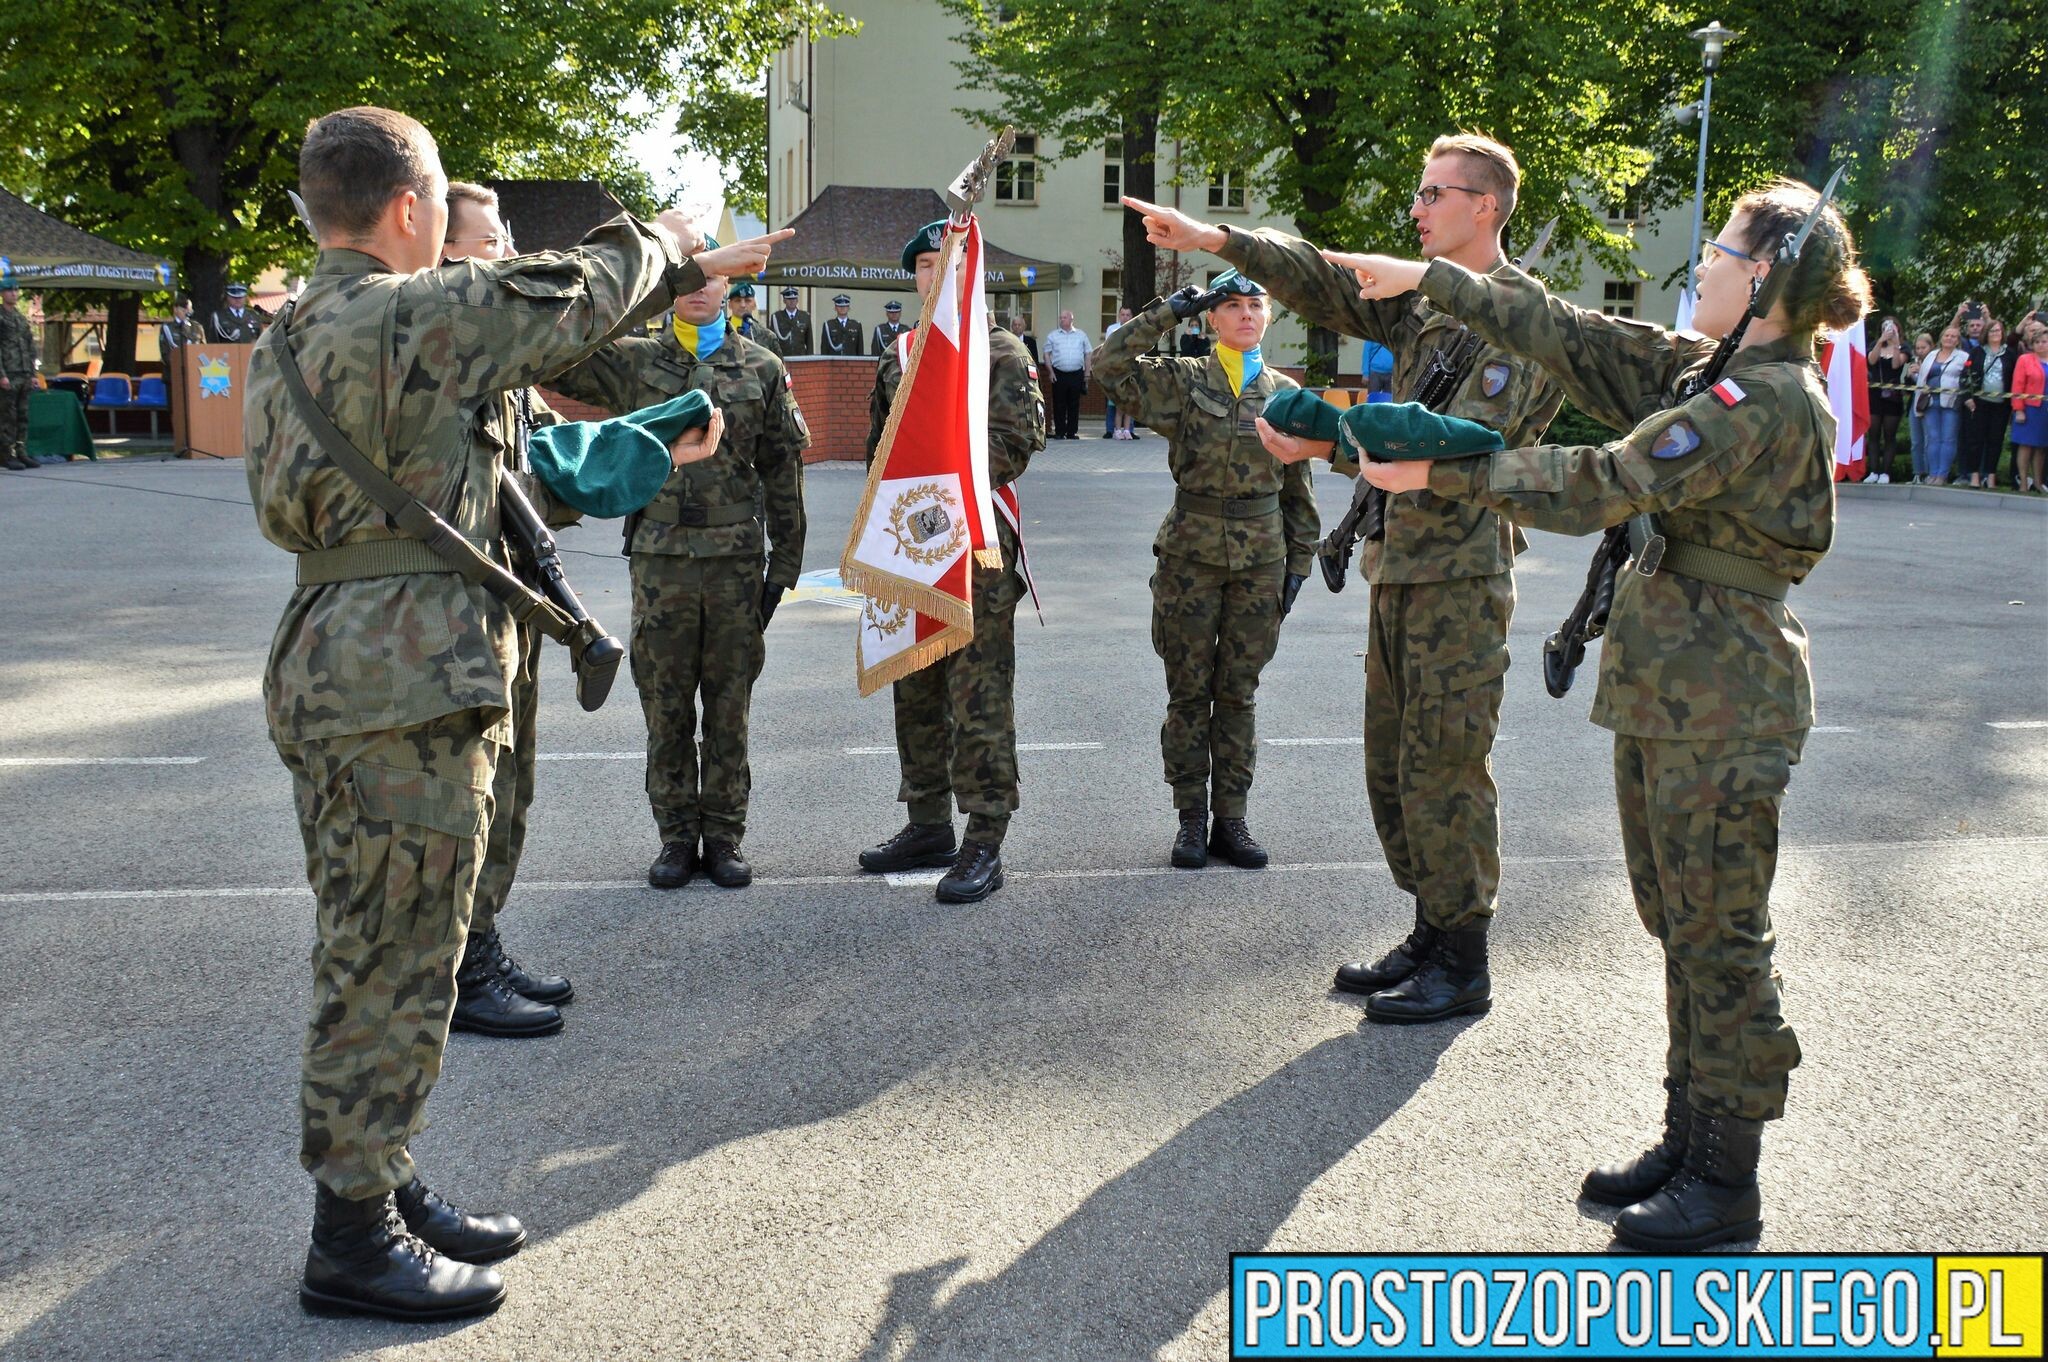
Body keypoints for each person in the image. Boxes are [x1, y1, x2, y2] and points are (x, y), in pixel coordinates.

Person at [247, 104, 782, 1321]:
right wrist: (670, 238)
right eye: (439, 198)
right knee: (389, 957)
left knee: (388, 945)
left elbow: (498, 469)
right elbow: (577, 294)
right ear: (407, 208)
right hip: (403, 676)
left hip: (353, 662)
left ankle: (379, 1180)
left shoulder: (303, 330)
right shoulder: (405, 312)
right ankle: (351, 1235)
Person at [1278, 176, 1868, 1252]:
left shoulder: (1763, 396)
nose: (1702, 268)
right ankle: (1687, 1139)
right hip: (1675, 693)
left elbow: (1606, 477)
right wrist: (1439, 281)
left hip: (1722, 702)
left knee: (1717, 937)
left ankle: (1724, 1180)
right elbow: (1569, 333)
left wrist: (1448, 472)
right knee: (1675, 923)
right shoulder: (1718, 369)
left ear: (1767, 280)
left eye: (1721, 255)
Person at [1127, 131, 1563, 1025]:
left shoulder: (1520, 314)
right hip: (1401, 562)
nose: (1417, 208)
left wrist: (1324, 438)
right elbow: (1320, 282)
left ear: (1485, 206)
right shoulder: (1426, 310)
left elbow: (1452, 439)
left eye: (1435, 193)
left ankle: (1464, 959)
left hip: (1461, 570)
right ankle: (1430, 929)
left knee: (1447, 766)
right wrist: (1214, 240)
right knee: (1395, 768)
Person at [546, 239, 810, 894]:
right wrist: (630, 287)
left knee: (728, 705)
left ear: (732, 287)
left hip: (734, 564)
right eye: (691, 275)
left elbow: (783, 472)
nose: (701, 287)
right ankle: (673, 836)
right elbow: (554, 354)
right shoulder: (634, 362)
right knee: (663, 704)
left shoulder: (762, 367)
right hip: (661, 561)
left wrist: (784, 571)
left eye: (714, 274)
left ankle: (722, 835)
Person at [1095, 271, 1316, 867]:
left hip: (1261, 560)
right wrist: (1168, 310)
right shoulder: (1185, 381)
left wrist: (1299, 563)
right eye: (1232, 306)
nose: (1246, 315)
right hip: (1190, 558)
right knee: (1189, 692)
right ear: (1211, 319)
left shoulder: (1288, 395)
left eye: (1255, 305)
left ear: (1268, 316)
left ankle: (1232, 820)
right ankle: (1190, 816)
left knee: (1239, 693)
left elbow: (1299, 491)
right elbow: (1107, 366)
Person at [857, 219, 1046, 903]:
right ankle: (927, 818)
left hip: (975, 546)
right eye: (926, 266)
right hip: (910, 546)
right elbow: (879, 450)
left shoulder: (998, 352)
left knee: (979, 695)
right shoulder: (899, 353)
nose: (936, 276)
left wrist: (934, 490)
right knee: (917, 683)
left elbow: (1015, 445)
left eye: (950, 264)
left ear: (974, 273)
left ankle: (985, 835)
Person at [435, 181, 577, 1040]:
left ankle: (478, 940)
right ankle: (456, 968)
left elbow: (537, 470)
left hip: (509, 610)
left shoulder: (504, 368)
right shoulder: (445, 353)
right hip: (455, 622)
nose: (507, 257)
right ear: (445, 256)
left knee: (510, 793)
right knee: (468, 801)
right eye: (490, 246)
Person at [1961, 317, 2017, 488]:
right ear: (1986, 333)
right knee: (1975, 440)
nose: (1995, 334)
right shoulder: (1977, 352)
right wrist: (1967, 397)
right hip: (1979, 403)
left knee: (1995, 441)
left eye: (1998, 330)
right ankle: (1975, 476)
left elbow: (2014, 379)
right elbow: (1966, 375)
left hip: (2001, 405)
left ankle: (1991, 476)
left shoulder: (2010, 354)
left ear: (2002, 333)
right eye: (1992, 331)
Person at [1917, 326, 1969, 484]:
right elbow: (1921, 379)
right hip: (1930, 401)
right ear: (1941, 338)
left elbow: (1966, 379)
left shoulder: (1963, 356)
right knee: (1933, 438)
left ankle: (1942, 474)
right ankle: (1932, 473)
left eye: (1954, 336)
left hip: (1951, 402)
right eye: (1947, 335)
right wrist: (1918, 405)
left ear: (1958, 340)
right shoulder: (1931, 355)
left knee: (1948, 439)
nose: (1950, 338)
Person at [1863, 317, 1906, 483]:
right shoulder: (1876, 344)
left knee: (1889, 435)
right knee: (1873, 435)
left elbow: (1896, 365)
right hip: (1874, 395)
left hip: (1892, 396)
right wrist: (1881, 341)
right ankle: (1873, 471)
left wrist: (1895, 343)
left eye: (1891, 326)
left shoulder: (1903, 346)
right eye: (1885, 327)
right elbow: (1871, 360)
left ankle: (1886, 472)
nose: (1888, 329)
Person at [0, 278, 36, 470]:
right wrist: (1, 375)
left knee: (23, 414)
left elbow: (30, 346)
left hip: (23, 372)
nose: (14, 293)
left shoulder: (20, 318)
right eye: (9, 290)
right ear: (2, 294)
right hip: (9, 373)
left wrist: (32, 373)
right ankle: (6, 454)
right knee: (8, 416)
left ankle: (21, 451)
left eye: (15, 290)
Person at [1041, 309, 1092, 439]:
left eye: (1064, 317)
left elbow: (1088, 353)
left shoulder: (1081, 335)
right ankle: (1059, 431)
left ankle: (1071, 432)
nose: (1061, 320)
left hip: (1076, 374)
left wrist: (1087, 373)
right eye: (1060, 318)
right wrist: (1050, 372)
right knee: (1059, 404)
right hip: (1059, 374)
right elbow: (1046, 353)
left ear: (1071, 319)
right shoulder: (1053, 335)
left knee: (1074, 404)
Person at [2011, 326, 2048, 493]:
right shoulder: (2025, 360)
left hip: (2045, 411)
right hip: (2029, 408)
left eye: (2044, 342)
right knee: (2025, 445)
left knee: (2041, 447)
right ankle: (2024, 482)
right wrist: (2018, 409)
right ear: (2032, 344)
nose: (2041, 345)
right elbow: (2017, 385)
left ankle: (2039, 482)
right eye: (2037, 342)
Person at [1101, 305, 1135, 438]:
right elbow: (1109, 348)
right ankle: (1113, 430)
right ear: (1119, 315)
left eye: (1128, 315)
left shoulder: (1135, 328)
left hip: (1131, 369)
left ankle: (1128, 430)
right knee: (1115, 402)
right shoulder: (1112, 329)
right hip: (1115, 369)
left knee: (1130, 401)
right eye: (1123, 314)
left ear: (1131, 316)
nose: (1125, 317)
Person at [1907, 332, 1934, 482]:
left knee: (1929, 439)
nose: (1920, 351)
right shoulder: (1911, 362)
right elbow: (1902, 381)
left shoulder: (1935, 361)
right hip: (1914, 405)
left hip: (1929, 404)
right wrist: (1910, 374)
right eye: (1917, 348)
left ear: (1931, 347)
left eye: (1923, 347)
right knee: (1916, 441)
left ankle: (1930, 472)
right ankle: (1917, 472)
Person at [727, 281, 780, 355]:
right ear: (730, 304)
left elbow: (778, 365)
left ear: (754, 304)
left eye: (747, 301)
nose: (742, 305)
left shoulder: (767, 336)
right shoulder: (720, 332)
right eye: (738, 301)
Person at [770, 286, 813, 356]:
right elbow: (772, 340)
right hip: (783, 356)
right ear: (784, 301)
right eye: (789, 299)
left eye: (794, 298)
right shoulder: (777, 317)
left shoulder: (805, 316)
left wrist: (810, 357)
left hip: (800, 356)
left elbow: (809, 341)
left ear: (797, 300)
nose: (792, 301)